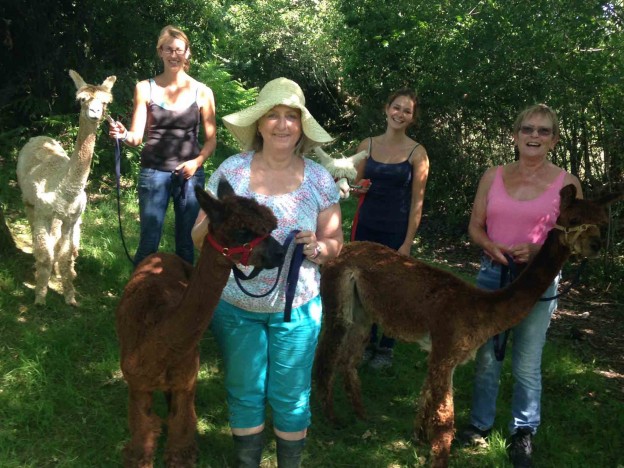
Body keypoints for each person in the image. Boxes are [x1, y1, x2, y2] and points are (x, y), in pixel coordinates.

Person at [191, 77, 343, 467]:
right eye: (272, 116)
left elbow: (334, 244)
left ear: (301, 126)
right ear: (259, 124)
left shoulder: (318, 179)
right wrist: (215, 228)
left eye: (291, 117)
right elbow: (198, 236)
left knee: (291, 394)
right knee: (244, 389)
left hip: (297, 308)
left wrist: (319, 248)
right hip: (236, 306)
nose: (281, 124)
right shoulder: (233, 172)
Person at [458, 104, 582, 468]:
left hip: (537, 283)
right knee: (486, 356)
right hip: (492, 275)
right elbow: (475, 226)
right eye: (527, 129)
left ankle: (523, 432)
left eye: (543, 131)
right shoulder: (492, 175)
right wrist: (489, 245)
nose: (534, 136)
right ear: (514, 135)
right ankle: (479, 424)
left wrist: (541, 249)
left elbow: (574, 238)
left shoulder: (568, 184)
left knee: (527, 360)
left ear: (554, 140)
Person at [109, 25, 216, 266]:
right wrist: (123, 134)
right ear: (160, 52)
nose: (174, 55)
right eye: (168, 49)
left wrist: (196, 163)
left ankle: (183, 297)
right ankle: (139, 297)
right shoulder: (144, 87)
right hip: (153, 173)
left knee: (186, 242)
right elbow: (136, 137)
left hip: (190, 175)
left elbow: (211, 140)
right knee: (148, 242)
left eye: (179, 50)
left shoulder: (203, 92)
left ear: (187, 53)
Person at [351, 88, 429, 370]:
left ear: (412, 118)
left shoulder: (417, 153)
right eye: (396, 107)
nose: (400, 114)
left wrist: (408, 242)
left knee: (393, 289)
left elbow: (417, 202)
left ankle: (386, 346)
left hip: (395, 230)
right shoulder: (366, 145)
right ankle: (366, 340)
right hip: (365, 226)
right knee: (363, 285)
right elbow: (355, 186)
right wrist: (352, 187)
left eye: (407, 111)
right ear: (386, 109)